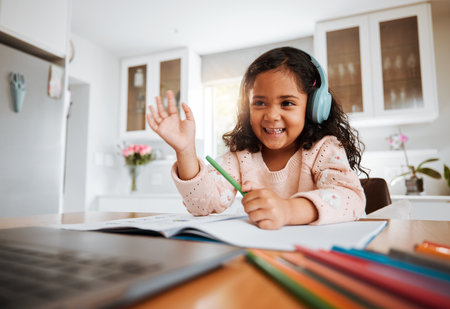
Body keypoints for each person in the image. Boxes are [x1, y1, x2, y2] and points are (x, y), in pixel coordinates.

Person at [147, 47, 366, 230]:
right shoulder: (242, 157)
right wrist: (186, 150)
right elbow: (202, 205)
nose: (271, 115)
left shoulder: (324, 149)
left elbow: (351, 199)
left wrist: (287, 210)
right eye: (259, 103)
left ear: (312, 108)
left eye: (287, 103)